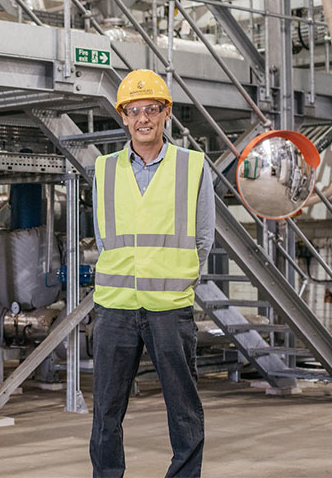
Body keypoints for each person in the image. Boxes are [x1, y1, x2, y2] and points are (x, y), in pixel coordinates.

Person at [89, 69, 215, 478]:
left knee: (184, 411)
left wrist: (175, 277)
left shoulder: (192, 166)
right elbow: (104, 238)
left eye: (152, 109)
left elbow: (203, 238)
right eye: (134, 110)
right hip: (115, 309)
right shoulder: (104, 169)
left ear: (166, 114)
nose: (143, 118)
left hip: (170, 307)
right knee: (106, 413)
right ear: (123, 117)